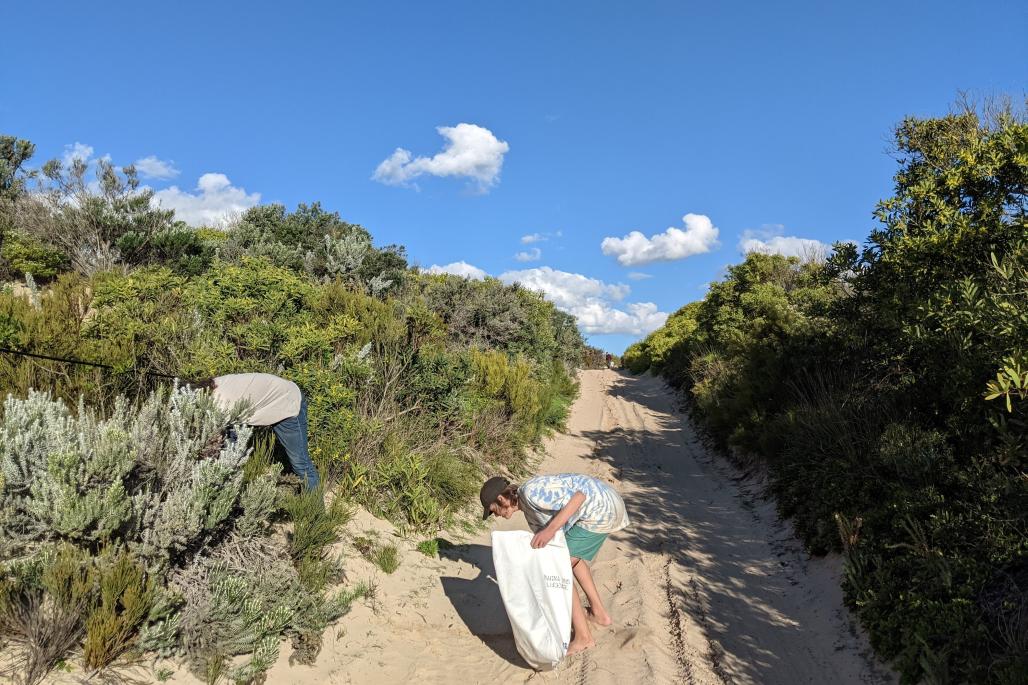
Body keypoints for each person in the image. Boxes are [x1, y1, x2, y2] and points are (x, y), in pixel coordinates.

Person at [481, 473, 629, 656]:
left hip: (601, 508)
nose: (495, 515)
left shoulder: (530, 492)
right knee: (565, 558)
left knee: (560, 569)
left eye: (493, 510)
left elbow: (579, 497)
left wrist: (550, 531)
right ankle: (599, 614)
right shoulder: (529, 511)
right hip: (603, 507)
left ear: (502, 498)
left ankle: (584, 638)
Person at [194, 373, 320, 490]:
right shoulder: (213, 385)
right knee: (229, 457)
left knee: (300, 463)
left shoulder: (221, 404)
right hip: (271, 395)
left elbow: (231, 442)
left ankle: (315, 510)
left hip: (287, 400)